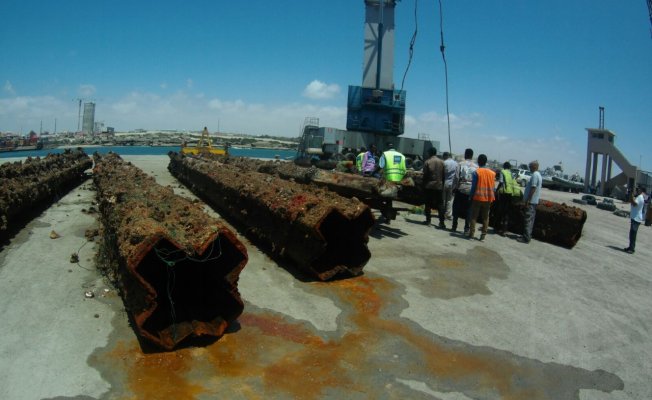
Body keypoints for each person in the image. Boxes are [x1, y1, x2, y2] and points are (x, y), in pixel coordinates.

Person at [467, 154, 496, 241]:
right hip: (488, 198)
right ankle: (483, 236)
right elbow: (493, 187)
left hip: (478, 197)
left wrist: (470, 196)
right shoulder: (492, 173)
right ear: (486, 162)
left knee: (474, 216)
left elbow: (473, 186)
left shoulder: (477, 172)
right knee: (485, 217)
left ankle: (471, 234)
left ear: (478, 161)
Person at [378, 143, 406, 224]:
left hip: (388, 179)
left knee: (383, 198)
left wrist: (372, 173)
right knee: (389, 200)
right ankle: (388, 217)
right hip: (398, 181)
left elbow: (381, 166)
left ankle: (387, 217)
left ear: (387, 148)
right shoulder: (401, 156)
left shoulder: (385, 154)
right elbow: (404, 170)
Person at [452, 148, 478, 233]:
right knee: (469, 210)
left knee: (456, 208)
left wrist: (454, 188)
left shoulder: (460, 164)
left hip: (461, 188)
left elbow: (456, 177)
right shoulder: (476, 167)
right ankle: (466, 228)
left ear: (465, 154)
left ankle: (454, 226)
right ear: (472, 156)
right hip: (471, 190)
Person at [422, 147, 446, 228]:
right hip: (439, 186)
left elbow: (425, 175)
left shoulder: (427, 162)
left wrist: (423, 185)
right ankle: (442, 222)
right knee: (440, 204)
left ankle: (428, 220)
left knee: (428, 203)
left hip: (429, 185)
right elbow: (444, 175)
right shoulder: (442, 162)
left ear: (430, 153)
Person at [519, 161, 542, 243]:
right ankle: (527, 236)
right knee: (530, 220)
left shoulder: (535, 175)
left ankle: (526, 238)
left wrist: (528, 200)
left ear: (534, 167)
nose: (529, 168)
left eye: (530, 166)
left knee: (528, 220)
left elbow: (533, 188)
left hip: (531, 202)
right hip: (534, 202)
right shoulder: (538, 174)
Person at [494, 161, 518, 236]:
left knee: (500, 210)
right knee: (506, 212)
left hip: (503, 193)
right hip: (510, 193)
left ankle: (498, 228)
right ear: (509, 167)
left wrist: (496, 190)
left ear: (504, 166)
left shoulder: (503, 172)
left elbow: (501, 182)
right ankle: (504, 230)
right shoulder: (511, 173)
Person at [623, 186, 646, 253]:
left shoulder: (640, 197)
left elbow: (634, 204)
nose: (637, 190)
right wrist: (631, 196)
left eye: (638, 189)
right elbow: (632, 202)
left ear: (641, 190)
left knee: (633, 235)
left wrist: (631, 195)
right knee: (631, 234)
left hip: (636, 218)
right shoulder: (639, 196)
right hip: (635, 218)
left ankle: (632, 249)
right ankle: (630, 247)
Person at [442, 152, 458, 220]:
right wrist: (456, 185)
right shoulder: (456, 164)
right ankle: (448, 214)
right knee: (450, 200)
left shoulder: (444, 162)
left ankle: (442, 213)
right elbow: (457, 176)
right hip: (452, 184)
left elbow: (441, 173)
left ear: (445, 156)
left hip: (444, 182)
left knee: (443, 199)